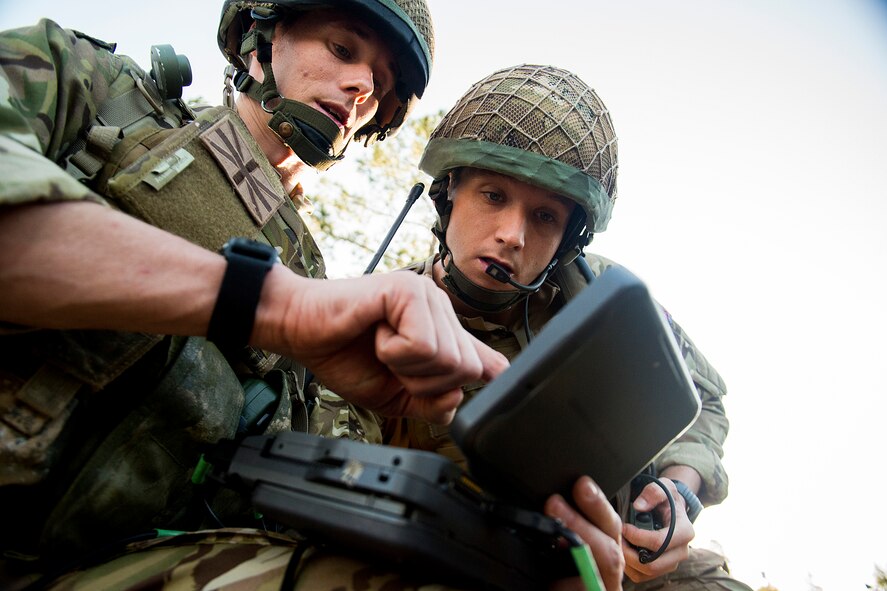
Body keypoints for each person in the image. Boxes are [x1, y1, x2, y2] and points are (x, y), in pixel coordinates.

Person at [0, 2, 522, 589]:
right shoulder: (94, 87)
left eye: (380, 87)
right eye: (343, 50)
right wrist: (269, 303)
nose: (361, 88)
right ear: (260, 38)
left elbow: (311, 468)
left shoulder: (312, 276)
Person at [371, 64, 752, 591]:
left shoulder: (605, 297)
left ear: (570, 238)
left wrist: (676, 491)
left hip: (635, 565)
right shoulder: (381, 318)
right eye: (493, 195)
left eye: (545, 216)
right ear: (448, 192)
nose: (512, 235)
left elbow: (701, 400)